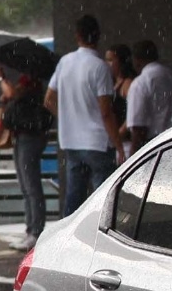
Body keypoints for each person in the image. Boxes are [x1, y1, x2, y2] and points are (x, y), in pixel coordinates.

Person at [46, 15, 123, 216]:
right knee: (103, 200)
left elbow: (49, 100)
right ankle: (99, 238)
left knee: (74, 199)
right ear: (98, 36)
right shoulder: (100, 67)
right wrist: (119, 146)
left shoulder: (64, 62)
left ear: (77, 36)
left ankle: (66, 241)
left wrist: (68, 118)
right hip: (97, 143)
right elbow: (106, 112)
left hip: (71, 142)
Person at [0, 67, 52, 246]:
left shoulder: (31, 85)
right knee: (26, 186)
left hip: (29, 138)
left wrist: (3, 81)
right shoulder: (29, 86)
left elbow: (14, 93)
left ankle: (35, 231)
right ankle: (31, 229)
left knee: (31, 187)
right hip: (22, 137)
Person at [123, 39, 172, 150]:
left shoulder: (140, 83)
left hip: (152, 145)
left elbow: (137, 126)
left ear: (136, 60)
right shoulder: (170, 76)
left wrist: (134, 157)